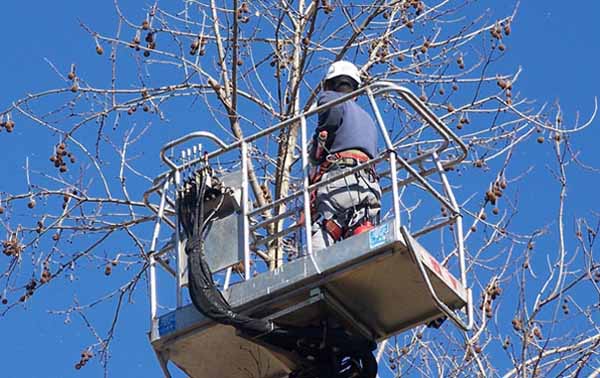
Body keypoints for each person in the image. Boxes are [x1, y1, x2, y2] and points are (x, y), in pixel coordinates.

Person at [309, 60, 381, 252]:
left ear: (329, 84)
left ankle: (315, 277)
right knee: (361, 229)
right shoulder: (368, 119)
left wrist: (316, 148)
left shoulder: (329, 98)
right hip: (369, 185)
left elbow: (328, 125)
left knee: (326, 230)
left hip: (340, 179)